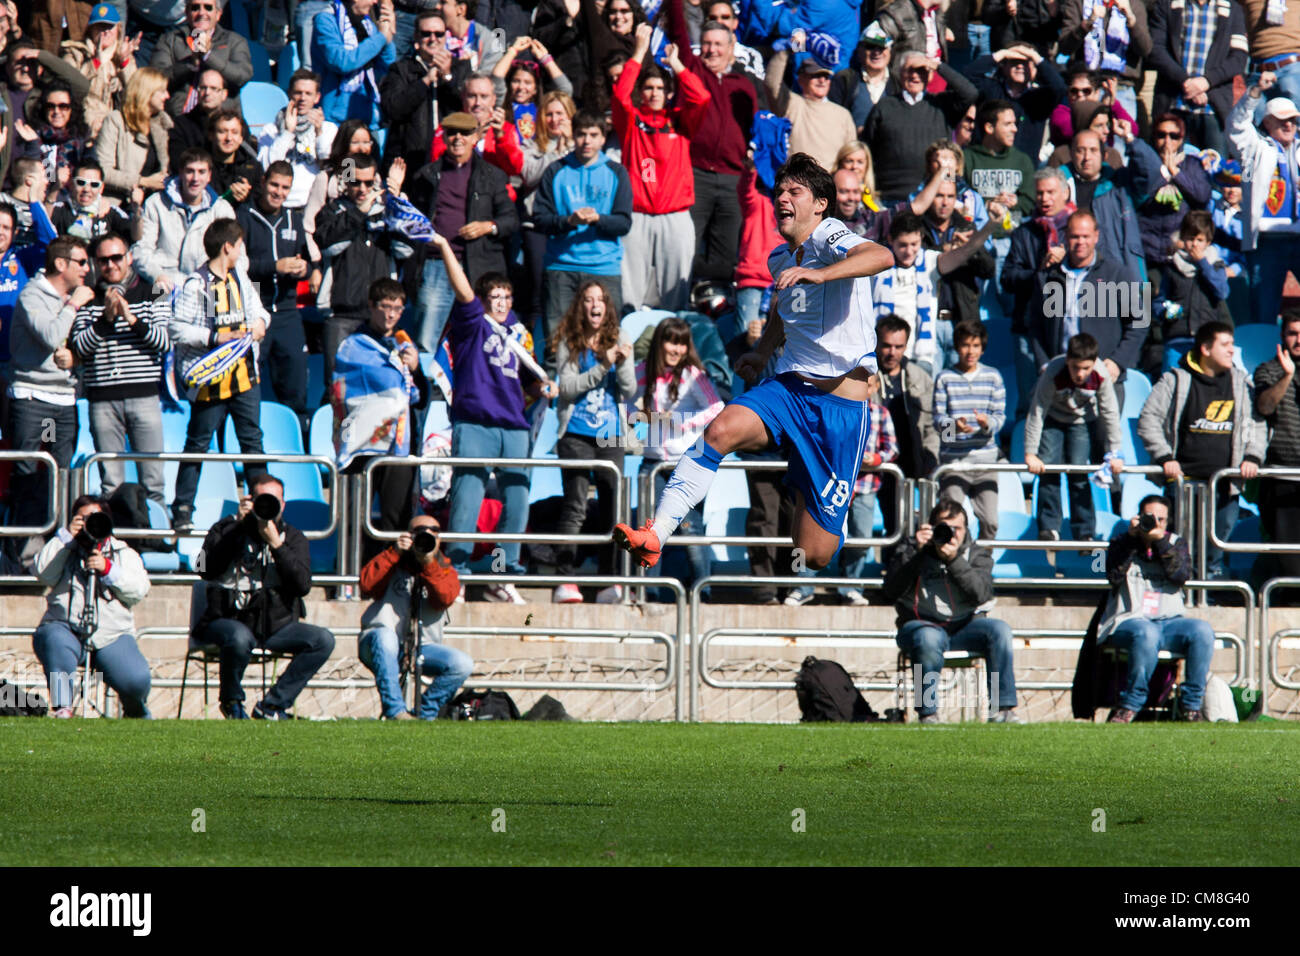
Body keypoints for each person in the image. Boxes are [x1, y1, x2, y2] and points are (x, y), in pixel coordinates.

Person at [613, 152, 895, 574]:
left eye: (794, 191)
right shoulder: (780, 259)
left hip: (839, 410)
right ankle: (656, 534)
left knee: (814, 554)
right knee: (719, 430)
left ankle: (808, 487)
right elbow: (786, 307)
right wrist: (763, 351)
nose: (782, 197)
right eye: (779, 191)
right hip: (790, 390)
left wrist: (820, 274)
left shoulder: (830, 234)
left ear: (820, 204)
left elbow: (883, 256)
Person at [431, 231, 557, 604]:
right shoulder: (472, 323)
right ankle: (456, 573)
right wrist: (442, 246)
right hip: (475, 422)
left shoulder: (519, 334)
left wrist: (541, 390)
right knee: (467, 498)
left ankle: (500, 572)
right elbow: (463, 291)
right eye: (494, 298)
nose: (501, 303)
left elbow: (526, 386)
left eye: (506, 297)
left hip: (514, 426)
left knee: (517, 500)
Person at [193, 473, 336, 720]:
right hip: (228, 620)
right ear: (250, 499)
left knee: (322, 640)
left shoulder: (293, 537)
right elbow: (202, 569)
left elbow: (302, 586)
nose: (269, 506)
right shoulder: (224, 528)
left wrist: (277, 547)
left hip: (276, 625)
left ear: (283, 504)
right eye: (262, 499)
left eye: (274, 500)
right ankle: (232, 704)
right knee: (239, 638)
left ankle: (272, 706)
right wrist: (236, 527)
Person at [1138, 321, 1266, 579]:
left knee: (1216, 545)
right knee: (1181, 545)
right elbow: (1148, 419)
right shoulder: (1175, 379)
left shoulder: (1241, 383)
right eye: (1225, 344)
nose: (1232, 350)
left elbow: (1259, 423)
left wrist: (1253, 456)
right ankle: (1180, 592)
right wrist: (1164, 456)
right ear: (1206, 349)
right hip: (1183, 482)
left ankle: (1211, 592)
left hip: (1224, 484)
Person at [168, 218, 270, 532]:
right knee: (198, 442)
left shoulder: (241, 276)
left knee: (252, 440)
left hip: (245, 377)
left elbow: (260, 312)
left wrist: (260, 325)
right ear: (228, 246)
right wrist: (213, 338)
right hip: (210, 380)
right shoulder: (195, 284)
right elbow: (175, 327)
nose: (242, 250)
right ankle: (183, 509)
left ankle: (263, 502)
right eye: (239, 244)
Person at [882, 497, 1023, 723]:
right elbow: (890, 591)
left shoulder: (977, 553)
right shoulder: (911, 548)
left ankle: (1002, 709)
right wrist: (916, 554)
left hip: (966, 627)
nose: (952, 534)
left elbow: (981, 594)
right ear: (932, 528)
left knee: (999, 630)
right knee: (927, 639)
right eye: (945, 528)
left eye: (957, 528)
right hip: (921, 627)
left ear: (966, 529)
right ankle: (928, 713)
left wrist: (954, 561)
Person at [5, 238, 94, 568]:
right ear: (61, 265)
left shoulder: (77, 296)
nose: (87, 269)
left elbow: (78, 345)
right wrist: (73, 306)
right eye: (81, 262)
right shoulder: (32, 295)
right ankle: (21, 558)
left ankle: (61, 553)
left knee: (62, 477)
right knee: (31, 476)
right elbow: (49, 335)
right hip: (34, 401)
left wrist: (76, 356)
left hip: (63, 400)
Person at [625, 316, 725, 604]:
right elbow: (633, 416)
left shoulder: (694, 374)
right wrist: (643, 421)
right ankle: (649, 593)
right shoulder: (642, 372)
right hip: (653, 462)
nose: (676, 349)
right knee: (650, 527)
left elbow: (717, 409)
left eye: (682, 343)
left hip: (689, 463)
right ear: (659, 342)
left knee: (690, 527)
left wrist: (679, 422)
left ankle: (701, 593)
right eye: (671, 341)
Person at [69, 233, 170, 510]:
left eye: (117, 258)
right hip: (102, 399)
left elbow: (163, 342)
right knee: (110, 484)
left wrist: (131, 318)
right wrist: (107, 319)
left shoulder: (155, 290)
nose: (111, 265)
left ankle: (158, 542)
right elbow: (79, 348)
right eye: (104, 260)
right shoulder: (86, 297)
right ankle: (111, 544)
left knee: (154, 480)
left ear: (130, 258)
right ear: (96, 263)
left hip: (145, 396)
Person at [613, 26, 709, 315]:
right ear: (641, 92)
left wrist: (677, 65)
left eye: (660, 88)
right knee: (630, 293)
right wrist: (639, 53)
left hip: (675, 217)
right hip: (638, 216)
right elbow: (619, 97)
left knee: (676, 296)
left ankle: (673, 355)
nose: (654, 93)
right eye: (648, 87)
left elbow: (701, 98)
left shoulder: (680, 123)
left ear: (669, 94)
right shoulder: (631, 124)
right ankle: (630, 350)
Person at [550, 280, 635, 604]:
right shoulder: (569, 341)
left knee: (613, 507)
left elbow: (628, 390)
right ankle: (565, 581)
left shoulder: (619, 338)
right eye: (588, 299)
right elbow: (568, 388)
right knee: (574, 506)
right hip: (575, 432)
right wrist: (604, 365)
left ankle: (608, 582)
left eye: (600, 299)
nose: (594, 305)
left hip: (611, 434)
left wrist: (622, 360)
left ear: (607, 306)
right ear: (580, 306)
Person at [332, 278, 429, 558]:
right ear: (371, 306)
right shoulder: (353, 345)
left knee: (394, 518)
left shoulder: (404, 344)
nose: (391, 315)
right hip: (362, 441)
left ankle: (391, 576)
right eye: (385, 307)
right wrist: (392, 377)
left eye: (397, 309)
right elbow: (346, 387)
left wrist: (416, 369)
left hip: (397, 443)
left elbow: (417, 397)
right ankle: (350, 577)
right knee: (355, 514)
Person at [32, 494, 153, 719]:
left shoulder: (123, 553)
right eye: (83, 518)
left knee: (136, 681)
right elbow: (42, 574)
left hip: (112, 634)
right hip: (65, 626)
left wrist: (109, 570)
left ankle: (137, 712)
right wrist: (66, 538)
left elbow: (139, 590)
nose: (89, 524)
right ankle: (62, 708)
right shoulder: (64, 546)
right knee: (54, 640)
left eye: (94, 518)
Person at [664, 0, 759, 283]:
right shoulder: (693, 71)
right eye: (706, 43)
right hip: (695, 175)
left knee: (727, 254)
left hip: (733, 179)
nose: (712, 50)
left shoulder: (745, 85)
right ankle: (682, 308)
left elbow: (759, 127)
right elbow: (678, 31)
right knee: (686, 248)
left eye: (719, 44)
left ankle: (717, 308)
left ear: (731, 48)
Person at [408, 110, 517, 355]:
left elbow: (510, 220)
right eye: (452, 133)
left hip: (479, 265)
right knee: (426, 340)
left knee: (486, 337)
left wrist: (488, 226)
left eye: (465, 133)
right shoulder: (425, 175)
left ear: (476, 137)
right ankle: (427, 392)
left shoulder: (493, 175)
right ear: (444, 137)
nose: (458, 138)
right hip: (437, 265)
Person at [1098, 494, 1212, 722]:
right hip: (1129, 620)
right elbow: (1111, 574)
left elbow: (1181, 575)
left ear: (1167, 522)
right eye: (1150, 518)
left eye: (1162, 519)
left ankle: (1191, 705)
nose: (1156, 524)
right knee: (1145, 633)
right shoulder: (1120, 542)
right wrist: (1132, 539)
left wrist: (1159, 541)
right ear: (1139, 517)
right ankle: (1130, 704)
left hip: (1169, 622)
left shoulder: (1176, 543)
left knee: (1202, 631)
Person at [1024, 210, 1148, 409]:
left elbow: (1139, 323)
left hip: (1104, 379)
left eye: (1085, 236)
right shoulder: (1048, 276)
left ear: (1096, 237)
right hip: (1059, 378)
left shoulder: (1118, 274)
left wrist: (1117, 362)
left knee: (1105, 440)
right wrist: (1045, 364)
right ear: (1065, 236)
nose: (1080, 242)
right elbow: (1035, 325)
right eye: (1074, 236)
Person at [532, 111, 632, 350]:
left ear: (603, 139)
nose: (586, 141)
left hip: (603, 268)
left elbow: (624, 223)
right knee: (557, 344)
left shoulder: (617, 172)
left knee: (607, 343)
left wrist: (598, 219)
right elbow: (540, 219)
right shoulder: (555, 170)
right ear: (572, 136)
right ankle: (556, 387)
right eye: (581, 134)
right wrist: (569, 221)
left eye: (593, 135)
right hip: (560, 268)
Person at [313, 151, 413, 385]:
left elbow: (406, 249)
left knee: (380, 385)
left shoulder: (388, 210)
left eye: (368, 183)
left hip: (379, 316)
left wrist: (396, 202)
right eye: (355, 182)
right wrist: (360, 212)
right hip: (340, 316)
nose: (362, 189)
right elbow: (327, 245)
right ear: (346, 182)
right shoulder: (333, 211)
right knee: (338, 388)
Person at [871, 206, 1005, 377]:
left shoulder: (929, 261)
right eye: (903, 245)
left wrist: (990, 226)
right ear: (890, 240)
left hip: (920, 356)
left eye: (914, 244)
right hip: (884, 353)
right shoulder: (878, 265)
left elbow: (966, 251)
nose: (909, 251)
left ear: (921, 238)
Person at [357, 513, 468, 720]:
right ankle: (396, 712)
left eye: (433, 531)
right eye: (419, 532)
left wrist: (428, 564)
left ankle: (424, 715)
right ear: (408, 535)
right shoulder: (391, 558)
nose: (426, 536)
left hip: (423, 648)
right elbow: (366, 585)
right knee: (385, 638)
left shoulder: (444, 568)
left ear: (439, 539)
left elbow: (444, 598)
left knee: (462, 663)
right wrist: (395, 552)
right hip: (379, 641)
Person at [1023, 332, 1124, 542]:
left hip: (1082, 421)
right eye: (1075, 367)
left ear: (1094, 363)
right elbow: (1037, 411)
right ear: (1068, 360)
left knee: (1078, 472)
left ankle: (1084, 531)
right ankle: (1049, 528)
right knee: (1048, 468)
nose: (1080, 374)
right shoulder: (1053, 371)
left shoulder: (1100, 374)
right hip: (1053, 419)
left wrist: (1114, 452)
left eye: (1085, 368)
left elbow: (1110, 412)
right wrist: (1030, 453)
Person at [236, 161, 316, 423]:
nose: (279, 192)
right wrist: (275, 266)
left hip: (286, 310)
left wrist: (304, 268)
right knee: (247, 385)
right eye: (274, 185)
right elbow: (237, 266)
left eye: (285, 188)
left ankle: (297, 445)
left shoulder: (294, 218)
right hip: (253, 309)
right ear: (263, 183)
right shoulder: (244, 216)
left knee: (295, 384)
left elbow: (309, 260)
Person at [1227, 73, 1300, 327]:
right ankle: (1264, 364)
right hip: (1267, 242)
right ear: (1267, 122)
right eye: (1282, 120)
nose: (1289, 125)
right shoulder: (1255, 149)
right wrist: (1254, 93)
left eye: (1293, 120)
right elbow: (1236, 126)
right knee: (1264, 312)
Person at [861, 50, 979, 203]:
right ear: (900, 73)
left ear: (929, 74)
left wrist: (936, 65)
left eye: (921, 70)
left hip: (935, 197)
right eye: (910, 70)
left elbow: (970, 93)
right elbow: (867, 148)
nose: (915, 76)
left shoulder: (942, 105)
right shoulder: (884, 106)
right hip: (891, 197)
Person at [933, 319, 1005, 540]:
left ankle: (981, 566)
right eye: (965, 345)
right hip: (954, 462)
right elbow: (938, 421)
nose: (970, 351)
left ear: (982, 348)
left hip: (985, 462)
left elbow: (999, 416)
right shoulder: (944, 378)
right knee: (950, 521)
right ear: (957, 347)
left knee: (990, 522)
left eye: (975, 345)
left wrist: (987, 424)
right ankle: (955, 564)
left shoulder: (993, 377)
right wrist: (954, 427)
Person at [1146, 0, 1248, 155]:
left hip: (1213, 107)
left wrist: (1206, 82)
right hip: (1174, 105)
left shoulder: (1232, 9)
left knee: (1216, 172)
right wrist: (1185, 82)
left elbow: (1238, 59)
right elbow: (1156, 50)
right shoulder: (1168, 5)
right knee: (1169, 168)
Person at [131, 146, 236, 293]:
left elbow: (238, 255)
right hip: (166, 283)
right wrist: (156, 275)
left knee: (230, 304)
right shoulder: (156, 203)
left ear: (209, 175)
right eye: (190, 171)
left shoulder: (221, 209)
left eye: (201, 172)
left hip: (209, 285)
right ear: (180, 172)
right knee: (158, 303)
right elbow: (140, 250)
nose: (195, 178)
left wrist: (221, 278)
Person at [875, 313, 939, 545]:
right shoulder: (862, 376)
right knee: (872, 528)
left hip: (912, 463)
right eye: (886, 345)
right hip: (875, 464)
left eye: (898, 346)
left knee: (910, 528)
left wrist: (931, 456)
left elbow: (934, 423)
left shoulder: (919, 377)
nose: (892, 352)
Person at [379, 11, 469, 175]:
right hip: (409, 161)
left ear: (446, 36)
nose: (433, 39)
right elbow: (393, 108)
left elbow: (465, 107)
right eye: (426, 34)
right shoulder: (400, 69)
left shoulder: (461, 68)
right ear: (416, 36)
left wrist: (447, 77)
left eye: (439, 34)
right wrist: (425, 82)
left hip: (450, 159)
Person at [1146, 210, 1231, 376]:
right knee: (1172, 385)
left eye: (1200, 240)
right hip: (1177, 340)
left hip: (1206, 343)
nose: (1194, 245)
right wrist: (1165, 311)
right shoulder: (1172, 268)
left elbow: (1221, 292)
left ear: (1208, 242)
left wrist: (1203, 265)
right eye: (1190, 239)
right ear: (1183, 239)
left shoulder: (1215, 266)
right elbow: (1159, 302)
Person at [961, 42, 1068, 160]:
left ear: (1035, 68)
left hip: (1024, 169)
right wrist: (1001, 54)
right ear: (1004, 66)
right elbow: (966, 76)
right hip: (987, 164)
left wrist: (1036, 58)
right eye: (1014, 61)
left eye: (1026, 62)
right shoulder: (991, 90)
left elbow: (1060, 88)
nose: (1020, 66)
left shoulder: (1039, 98)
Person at [149, 0, 253, 120]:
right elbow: (155, 79)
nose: (201, 12)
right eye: (195, 8)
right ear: (187, 12)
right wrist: (190, 63)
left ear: (218, 14)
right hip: (177, 120)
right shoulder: (170, 40)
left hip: (220, 123)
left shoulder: (234, 42)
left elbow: (243, 76)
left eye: (208, 8)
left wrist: (208, 57)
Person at [1255, 311, 1300, 576]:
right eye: (1293, 333)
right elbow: (1264, 406)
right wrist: (1286, 377)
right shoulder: (1268, 369)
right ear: (1283, 336)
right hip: (1282, 476)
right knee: (1289, 561)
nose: (1298, 339)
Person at [765, 46, 857, 174]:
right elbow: (772, 84)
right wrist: (784, 52)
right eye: (816, 75)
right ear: (801, 79)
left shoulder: (843, 115)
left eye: (826, 76)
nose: (822, 80)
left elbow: (852, 154)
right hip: (796, 182)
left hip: (830, 185)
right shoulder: (792, 104)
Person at [257, 70, 338, 211]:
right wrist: (287, 132)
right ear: (289, 94)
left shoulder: (328, 129)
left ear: (317, 97)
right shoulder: (270, 130)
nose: (302, 98)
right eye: (298, 92)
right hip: (278, 203)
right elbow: (268, 166)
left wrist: (319, 132)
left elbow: (328, 165)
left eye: (308, 93)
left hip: (312, 206)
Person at [59, 2, 139, 139]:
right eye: (101, 26)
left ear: (118, 29)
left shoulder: (123, 56)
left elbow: (135, 91)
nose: (106, 31)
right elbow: (72, 86)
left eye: (110, 26)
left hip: (115, 129)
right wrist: (94, 64)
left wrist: (124, 63)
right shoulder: (74, 53)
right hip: (83, 125)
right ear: (91, 29)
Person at [313, 0, 398, 127]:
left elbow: (387, 66)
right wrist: (380, 38)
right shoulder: (325, 21)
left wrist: (388, 36)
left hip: (368, 118)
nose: (375, 2)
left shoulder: (368, 25)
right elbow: (342, 62)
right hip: (336, 121)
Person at [830, 22, 895, 133]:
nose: (876, 52)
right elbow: (833, 121)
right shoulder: (844, 80)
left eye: (881, 47)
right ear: (860, 50)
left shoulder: (898, 84)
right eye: (870, 47)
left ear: (889, 52)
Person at [50, 160, 132, 243]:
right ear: (71, 184)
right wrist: (55, 188)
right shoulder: (60, 208)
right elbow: (41, 223)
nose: (86, 189)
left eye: (94, 184)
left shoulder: (111, 211)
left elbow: (134, 235)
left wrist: (137, 211)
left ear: (101, 188)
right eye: (81, 182)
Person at [166, 67, 228, 162]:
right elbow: (178, 161)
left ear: (224, 94)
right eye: (203, 88)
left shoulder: (235, 125)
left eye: (214, 88)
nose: (207, 93)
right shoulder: (180, 125)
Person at [205, 108, 262, 209]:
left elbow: (261, 204)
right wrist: (228, 197)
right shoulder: (200, 166)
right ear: (211, 135)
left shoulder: (253, 167)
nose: (228, 138)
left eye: (234, 132)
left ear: (241, 138)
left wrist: (247, 197)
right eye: (222, 132)